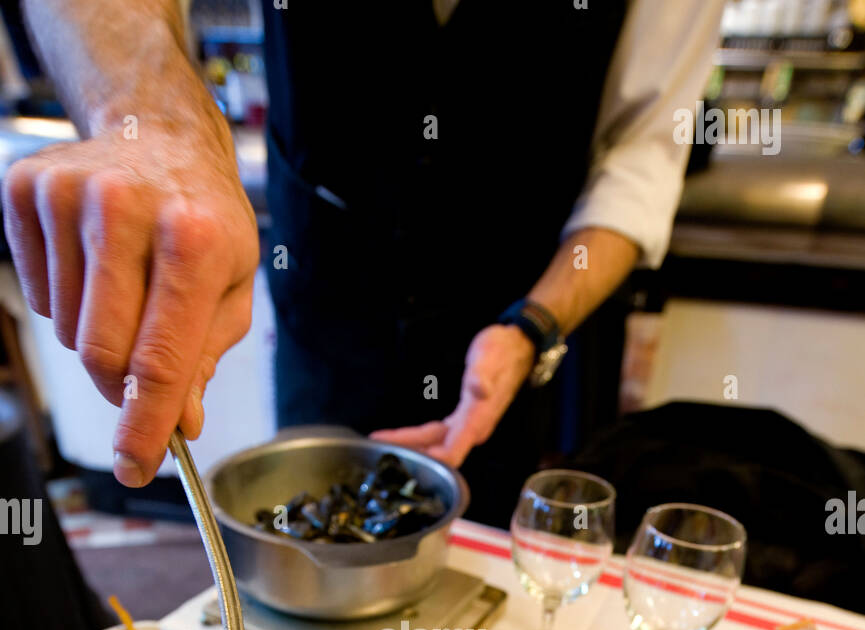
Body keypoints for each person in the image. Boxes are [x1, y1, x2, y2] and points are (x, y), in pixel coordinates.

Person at [3, 1, 724, 526]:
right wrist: (154, 123)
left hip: (523, 306)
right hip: (331, 290)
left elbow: (642, 158)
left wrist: (530, 326)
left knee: (509, 548)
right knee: (302, 527)